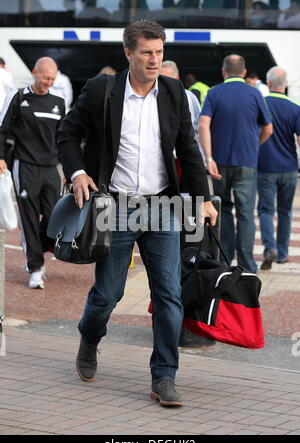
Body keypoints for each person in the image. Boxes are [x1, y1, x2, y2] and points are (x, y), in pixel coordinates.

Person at [57, 19, 218, 407]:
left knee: (169, 294)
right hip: (113, 206)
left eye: (160, 52)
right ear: (128, 53)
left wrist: (205, 198)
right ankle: (90, 336)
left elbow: (188, 150)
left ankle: (164, 376)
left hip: (161, 206)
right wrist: (78, 173)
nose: (154, 59)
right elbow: (67, 134)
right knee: (108, 294)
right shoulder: (101, 90)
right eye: (146, 52)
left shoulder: (174, 92)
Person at [200, 54, 273, 273]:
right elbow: (268, 129)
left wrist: (209, 157)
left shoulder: (214, 92)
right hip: (247, 162)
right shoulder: (255, 93)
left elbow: (203, 124)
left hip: (219, 163)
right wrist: (254, 145)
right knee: (245, 212)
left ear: (223, 72)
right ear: (243, 72)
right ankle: (247, 264)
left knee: (223, 209)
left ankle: (225, 258)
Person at [0, 57, 65, 289]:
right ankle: (35, 267)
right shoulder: (18, 97)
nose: (49, 82)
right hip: (24, 165)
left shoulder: (59, 102)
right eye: (46, 77)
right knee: (28, 217)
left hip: (51, 169)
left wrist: (68, 169)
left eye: (53, 78)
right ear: (34, 72)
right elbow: (3, 127)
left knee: (54, 219)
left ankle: (36, 248)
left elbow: (63, 138)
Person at [257, 66, 300, 270]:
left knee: (266, 210)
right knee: (285, 211)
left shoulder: (261, 104)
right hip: (290, 167)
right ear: (286, 86)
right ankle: (282, 253)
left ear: (269, 83)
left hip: (265, 166)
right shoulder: (295, 107)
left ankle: (269, 249)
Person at [159, 60, 204, 162]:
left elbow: (198, 125)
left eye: (168, 78)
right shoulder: (152, 97)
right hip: (160, 157)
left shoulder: (189, 97)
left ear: (177, 78)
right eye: (160, 78)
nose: (164, 82)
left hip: (183, 156)